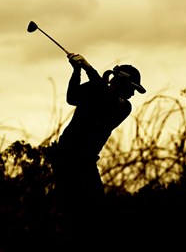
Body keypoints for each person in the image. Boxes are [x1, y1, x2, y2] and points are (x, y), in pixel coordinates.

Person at [50, 53, 146, 208]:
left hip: (85, 160)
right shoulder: (96, 88)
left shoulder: (124, 106)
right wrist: (77, 71)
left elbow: (107, 98)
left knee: (94, 206)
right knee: (71, 205)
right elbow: (72, 97)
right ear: (122, 82)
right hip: (66, 156)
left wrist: (89, 69)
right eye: (131, 88)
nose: (133, 93)